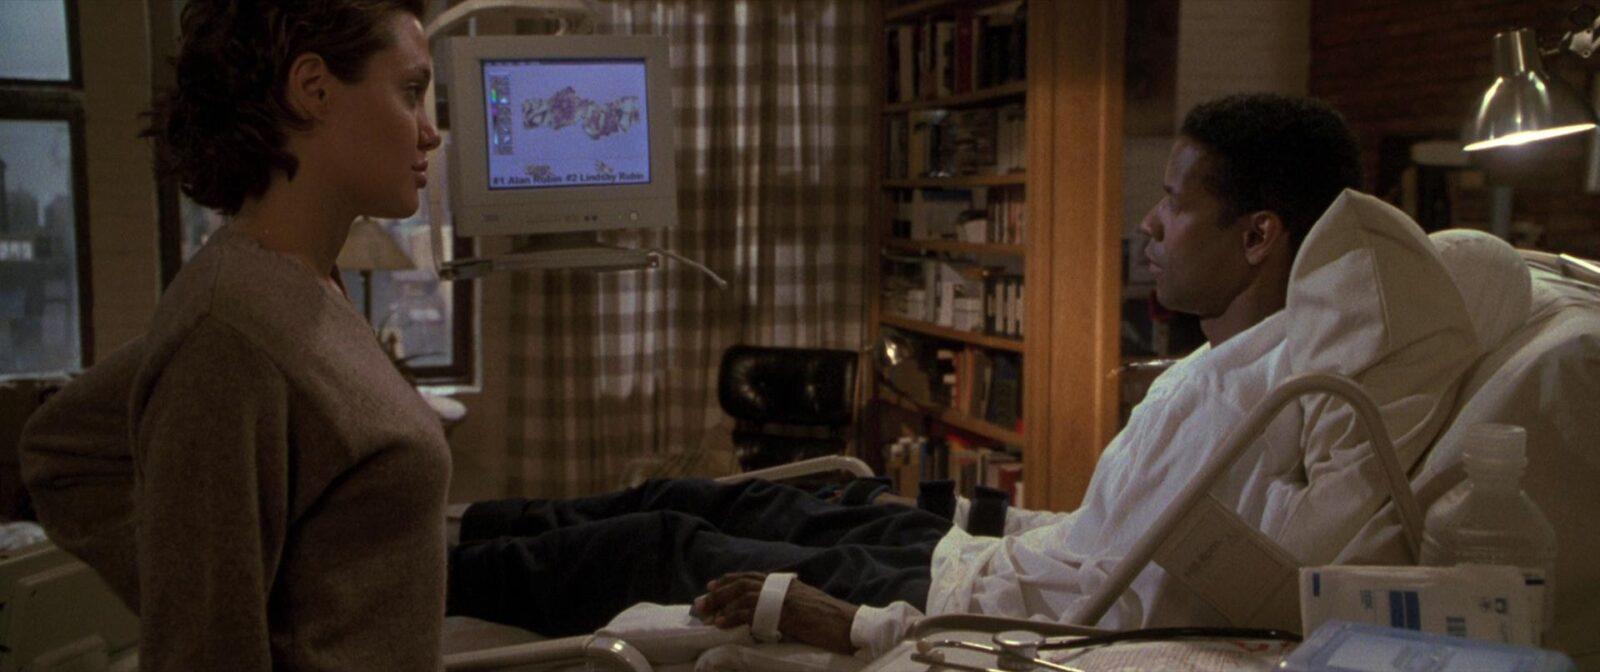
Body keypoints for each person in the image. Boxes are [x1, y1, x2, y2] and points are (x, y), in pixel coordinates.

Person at [446, 93, 1486, 658]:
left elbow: (1131, 620)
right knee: (728, 495)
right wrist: (974, 519)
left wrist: (862, 625)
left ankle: (419, 574)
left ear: (1258, 235)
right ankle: (449, 527)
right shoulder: (1222, 363)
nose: (1149, 222)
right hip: (982, 555)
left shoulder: (1299, 403)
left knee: (667, 543)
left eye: (1174, 202)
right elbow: (1105, 538)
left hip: (966, 605)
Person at [19, 0, 450, 668]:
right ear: (314, 89)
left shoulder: (299, 290)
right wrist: (195, 581)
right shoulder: (228, 329)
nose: (430, 133)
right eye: (411, 92)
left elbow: (67, 436)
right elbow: (201, 647)